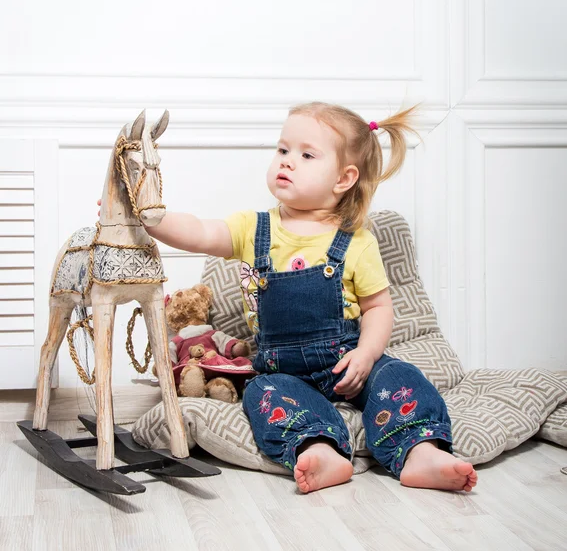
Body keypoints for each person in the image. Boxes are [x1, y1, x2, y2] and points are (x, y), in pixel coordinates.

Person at [100, 102, 478, 494]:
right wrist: (148, 216)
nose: (288, 161)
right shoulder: (253, 228)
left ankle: (421, 450)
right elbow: (198, 231)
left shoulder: (357, 242)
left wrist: (366, 356)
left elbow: (379, 308)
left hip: (347, 363)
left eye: (306, 154)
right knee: (263, 394)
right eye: (283, 150)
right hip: (282, 369)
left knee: (401, 376)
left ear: (344, 178)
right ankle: (319, 448)